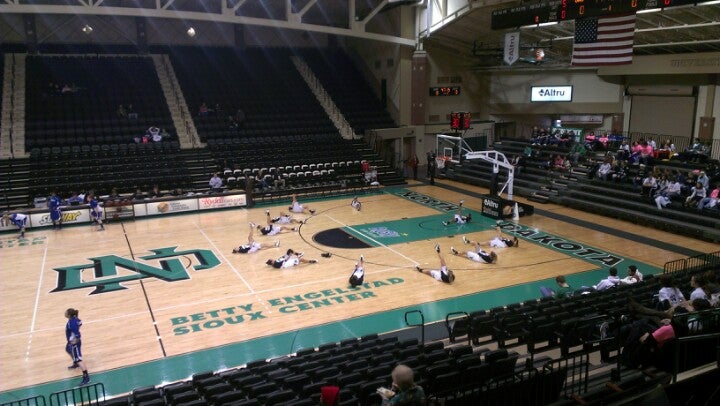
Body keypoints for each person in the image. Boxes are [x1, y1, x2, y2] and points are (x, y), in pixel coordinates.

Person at [65, 308, 91, 386]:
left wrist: (76, 339)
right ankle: (75, 362)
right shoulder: (75, 319)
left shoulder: (71, 323)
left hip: (74, 343)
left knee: (79, 359)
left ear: (69, 315)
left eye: (66, 312)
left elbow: (77, 333)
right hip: (72, 342)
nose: (65, 313)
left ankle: (86, 378)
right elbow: (80, 322)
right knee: (67, 349)